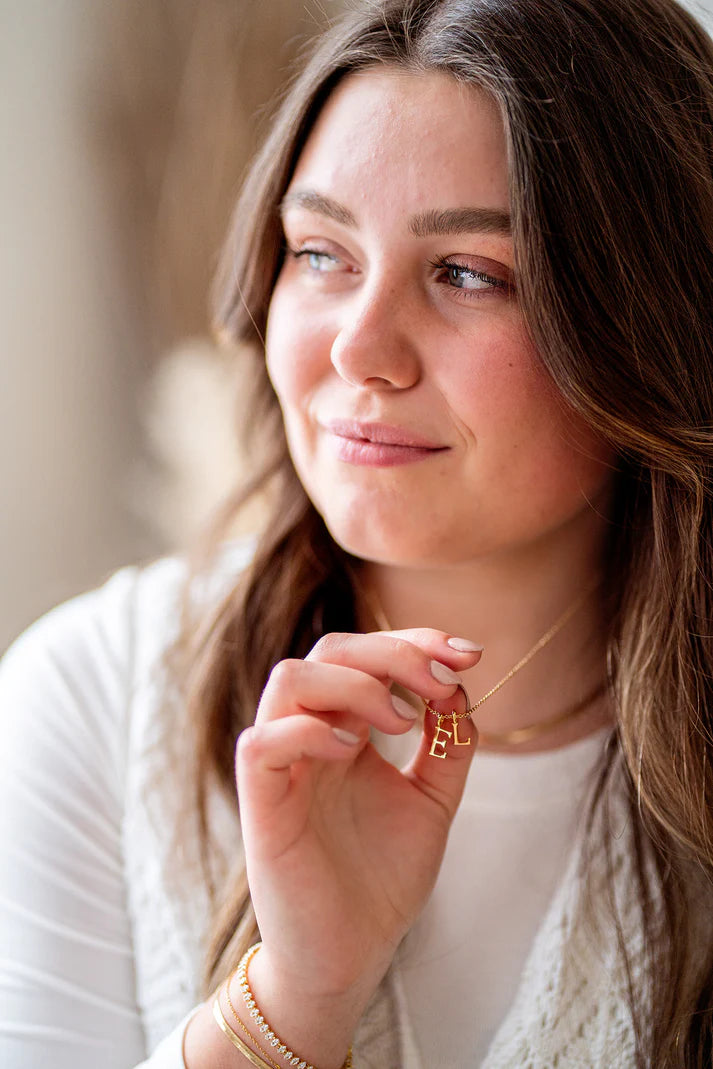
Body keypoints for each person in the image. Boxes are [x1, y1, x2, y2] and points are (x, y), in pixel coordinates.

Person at [2, 0, 713, 1065]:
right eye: (320, 252)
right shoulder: (97, 697)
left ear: (647, 319)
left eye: (467, 273)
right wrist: (292, 1000)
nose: (359, 349)